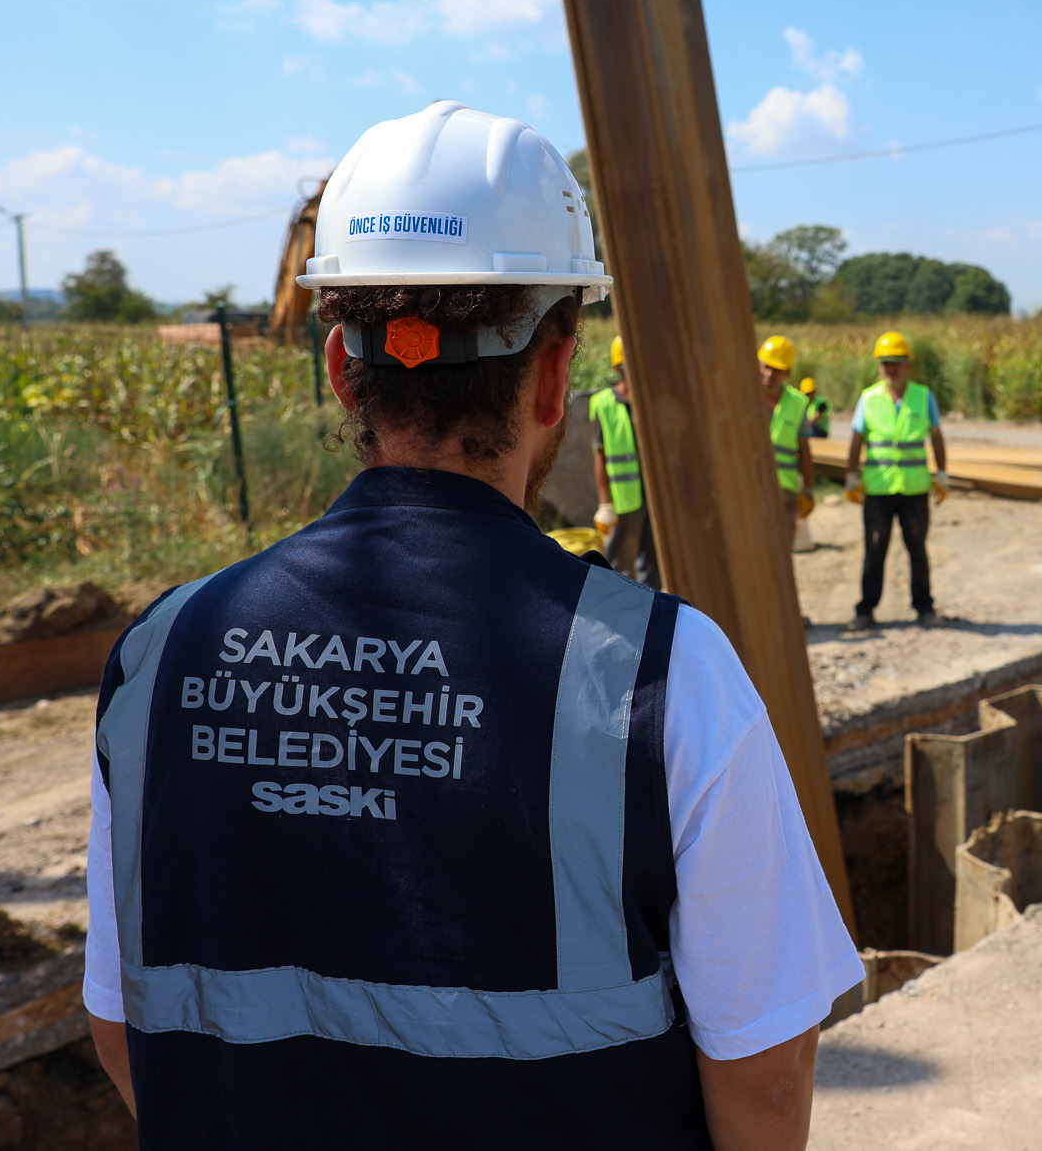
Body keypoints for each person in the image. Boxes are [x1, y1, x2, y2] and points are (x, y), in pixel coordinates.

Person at [85, 102, 861, 1149]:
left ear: (338, 366)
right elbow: (765, 1079)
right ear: (552, 376)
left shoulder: (159, 654)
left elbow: (120, 1024)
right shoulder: (660, 672)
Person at [844, 330, 948, 631]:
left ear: (908, 364)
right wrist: (851, 476)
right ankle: (865, 610)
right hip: (878, 489)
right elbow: (856, 438)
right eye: (885, 362)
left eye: (897, 362)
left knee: (917, 548)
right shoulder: (869, 398)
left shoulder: (923, 396)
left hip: (915, 488)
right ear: (879, 365)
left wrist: (942, 474)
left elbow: (937, 436)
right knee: (875, 549)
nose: (891, 368)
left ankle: (925, 608)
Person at [590, 335, 658, 586]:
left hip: (655, 496)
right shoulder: (603, 404)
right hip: (624, 499)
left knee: (653, 563)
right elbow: (600, 455)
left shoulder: (652, 400)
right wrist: (605, 504)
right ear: (619, 366)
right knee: (620, 564)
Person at [758, 335, 814, 542]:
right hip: (749, 486)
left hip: (785, 490)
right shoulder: (743, 395)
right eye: (766, 366)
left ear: (788, 372)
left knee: (781, 550)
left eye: (777, 369)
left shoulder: (797, 403)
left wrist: (807, 488)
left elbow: (805, 451)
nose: (769, 374)